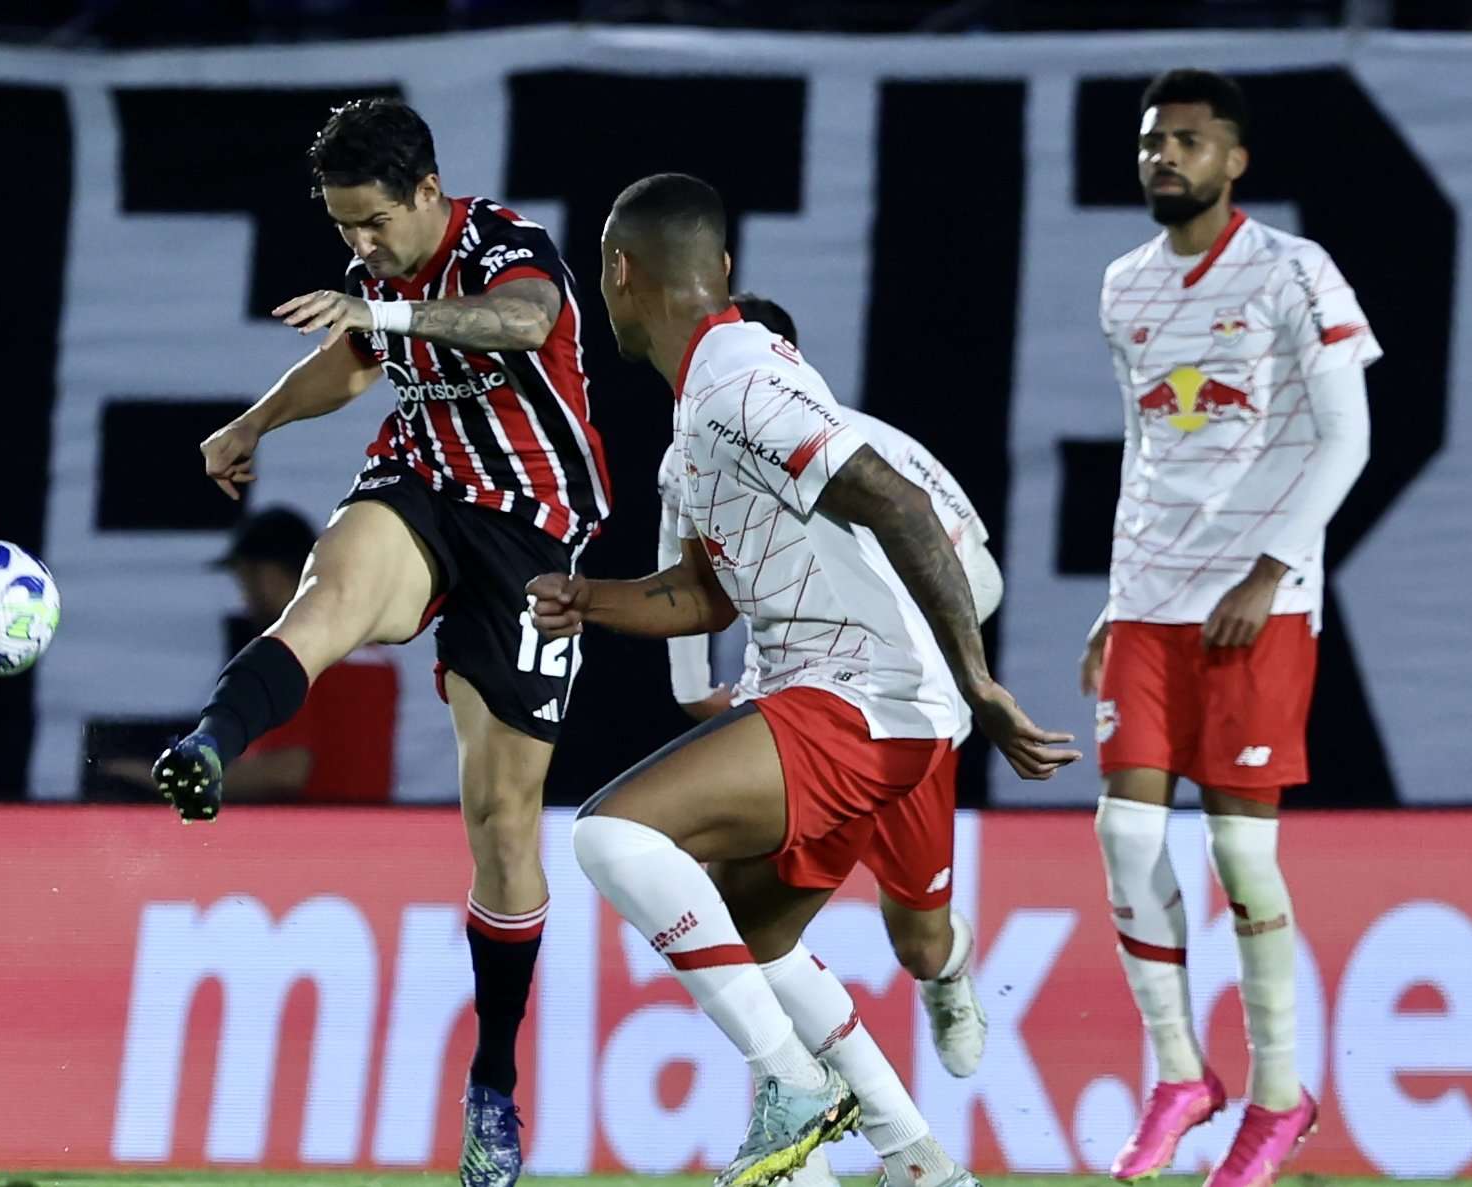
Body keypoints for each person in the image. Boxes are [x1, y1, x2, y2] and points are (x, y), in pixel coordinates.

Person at [532, 173, 1077, 1187]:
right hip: (838, 693)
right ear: (723, 269)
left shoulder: (738, 381)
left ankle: (788, 1083)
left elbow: (902, 504)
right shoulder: (707, 401)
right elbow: (704, 595)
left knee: (612, 834)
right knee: (755, 936)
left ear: (619, 274)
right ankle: (919, 1159)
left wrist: (983, 682)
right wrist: (588, 598)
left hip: (863, 697)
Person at [150, 97, 610, 1185]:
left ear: (424, 191)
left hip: (529, 530)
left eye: (371, 224)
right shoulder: (383, 272)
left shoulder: (502, 242)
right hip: (422, 484)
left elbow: (520, 321)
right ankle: (211, 740)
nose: (360, 246)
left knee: (503, 827)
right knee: (327, 598)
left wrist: (390, 316)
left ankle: (493, 1081)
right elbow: (352, 365)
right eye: (343, 227)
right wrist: (253, 422)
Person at [1085, 69, 1376, 1187]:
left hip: (1257, 603)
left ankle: (1278, 1092)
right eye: (1153, 140)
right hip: (1151, 601)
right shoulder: (1123, 286)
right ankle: (1177, 1074)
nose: (1166, 156)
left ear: (1235, 159)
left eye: (1190, 141)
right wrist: (1114, 605)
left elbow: (1346, 439)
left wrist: (1267, 569)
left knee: (1243, 852)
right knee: (1121, 835)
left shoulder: (1295, 272)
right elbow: (1141, 454)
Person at [670, 294, 998, 1087]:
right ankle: (792, 1121)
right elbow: (690, 577)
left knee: (918, 943)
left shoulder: (877, 448)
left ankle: (947, 976)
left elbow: (978, 579)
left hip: (906, 721)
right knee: (747, 921)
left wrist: (904, 644)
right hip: (798, 712)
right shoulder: (701, 442)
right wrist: (692, 688)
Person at [102, 507, 398, 802]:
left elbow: (285, 770)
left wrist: (174, 780)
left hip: (305, 838)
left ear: (268, 576)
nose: (244, 600)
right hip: (369, 833)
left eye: (244, 581)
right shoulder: (375, 658)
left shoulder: (292, 650)